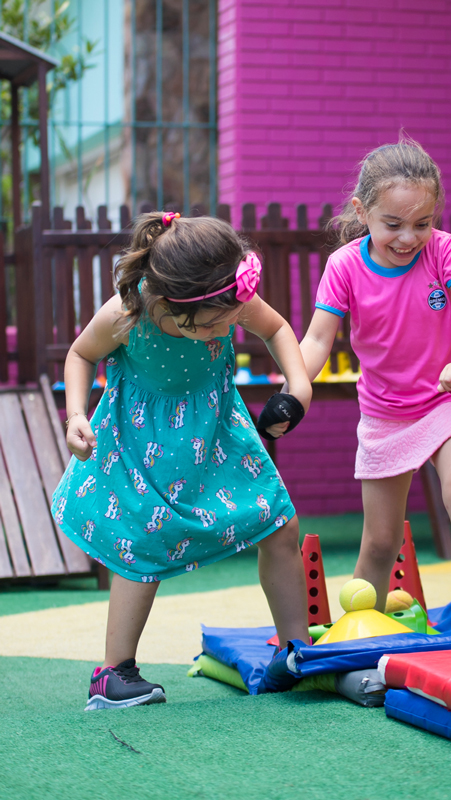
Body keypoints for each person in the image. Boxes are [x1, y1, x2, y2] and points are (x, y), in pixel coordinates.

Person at [51, 211, 312, 710]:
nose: (230, 325)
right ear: (173, 306)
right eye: (216, 323)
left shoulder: (227, 296)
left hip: (215, 430)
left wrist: (297, 388)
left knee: (278, 521)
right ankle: (113, 673)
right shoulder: (128, 314)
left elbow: (277, 328)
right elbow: (81, 355)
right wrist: (75, 416)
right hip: (141, 438)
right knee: (141, 542)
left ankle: (295, 649)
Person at [300, 141, 451, 634]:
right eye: (394, 224)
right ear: (362, 212)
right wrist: (293, 388)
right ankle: (357, 628)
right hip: (387, 412)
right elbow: (319, 338)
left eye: (422, 223)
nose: (410, 237)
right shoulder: (345, 266)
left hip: (448, 396)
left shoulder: (443, 249)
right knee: (381, 539)